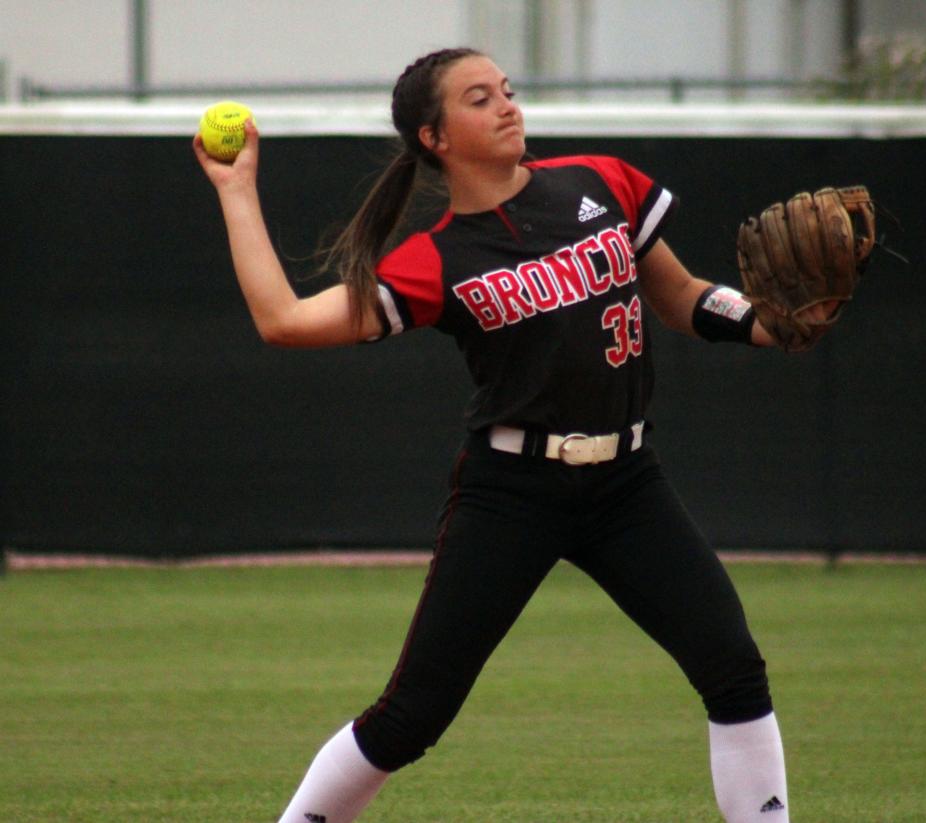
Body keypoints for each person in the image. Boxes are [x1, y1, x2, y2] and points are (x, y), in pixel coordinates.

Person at [195, 47, 790, 823]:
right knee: (414, 713)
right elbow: (284, 322)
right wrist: (238, 191)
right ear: (434, 136)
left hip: (626, 482)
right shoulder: (435, 258)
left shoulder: (602, 182)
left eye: (506, 90)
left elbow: (677, 295)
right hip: (513, 491)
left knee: (733, 667)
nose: (507, 105)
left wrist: (762, 322)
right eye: (480, 98)